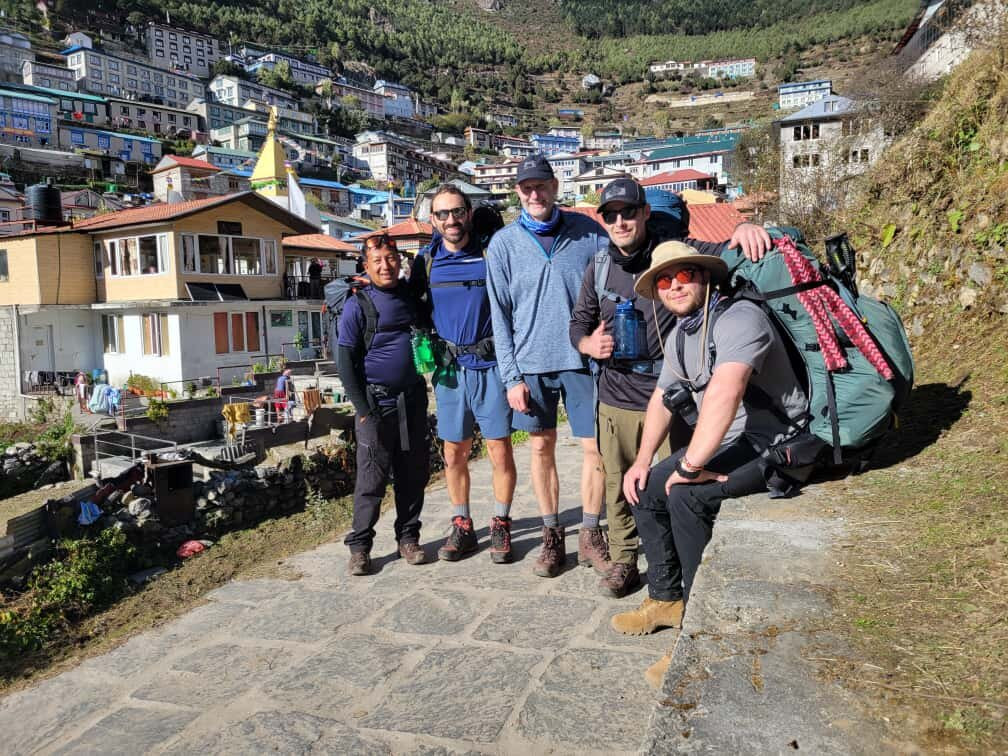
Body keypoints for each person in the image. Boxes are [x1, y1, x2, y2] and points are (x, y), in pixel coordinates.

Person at [610, 240, 810, 687]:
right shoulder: (684, 332)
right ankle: (666, 600)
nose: (675, 285)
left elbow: (727, 390)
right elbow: (663, 396)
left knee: (685, 496)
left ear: (704, 276)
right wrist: (642, 461)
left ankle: (700, 635)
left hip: (779, 441)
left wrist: (688, 467)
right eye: (664, 279)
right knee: (644, 487)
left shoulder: (740, 318)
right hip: (730, 436)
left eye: (686, 275)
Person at [568, 177, 772, 597]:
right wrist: (588, 343)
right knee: (619, 481)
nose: (620, 221)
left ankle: (679, 568)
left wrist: (742, 229)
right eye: (611, 215)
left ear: (644, 213)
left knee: (673, 487)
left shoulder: (673, 255)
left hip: (673, 397)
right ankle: (624, 562)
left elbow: (722, 256)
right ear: (602, 220)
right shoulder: (600, 266)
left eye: (628, 212)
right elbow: (577, 324)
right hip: (616, 394)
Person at [486, 154, 609, 578]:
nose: (534, 193)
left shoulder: (589, 233)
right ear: (517, 192)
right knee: (541, 447)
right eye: (526, 188)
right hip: (531, 365)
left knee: (595, 449)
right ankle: (551, 534)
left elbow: (611, 291)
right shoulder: (502, 245)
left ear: (555, 186)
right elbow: (499, 317)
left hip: (582, 361)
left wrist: (601, 337)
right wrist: (511, 377)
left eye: (541, 185)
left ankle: (592, 533)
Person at [410, 184, 517, 563]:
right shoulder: (425, 262)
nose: (451, 220)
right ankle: (463, 524)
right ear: (433, 219)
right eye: (442, 214)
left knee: (499, 449)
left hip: (491, 367)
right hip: (449, 371)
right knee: (454, 453)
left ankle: (501, 522)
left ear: (469, 213)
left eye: (457, 212)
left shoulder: (491, 254)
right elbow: (407, 306)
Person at [336, 235, 430, 575]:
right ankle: (360, 547)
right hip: (375, 403)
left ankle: (408, 539)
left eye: (390, 258)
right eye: (377, 260)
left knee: (413, 474)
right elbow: (345, 361)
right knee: (371, 479)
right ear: (366, 265)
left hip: (412, 399)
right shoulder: (357, 305)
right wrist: (363, 409)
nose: (385, 266)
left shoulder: (409, 295)